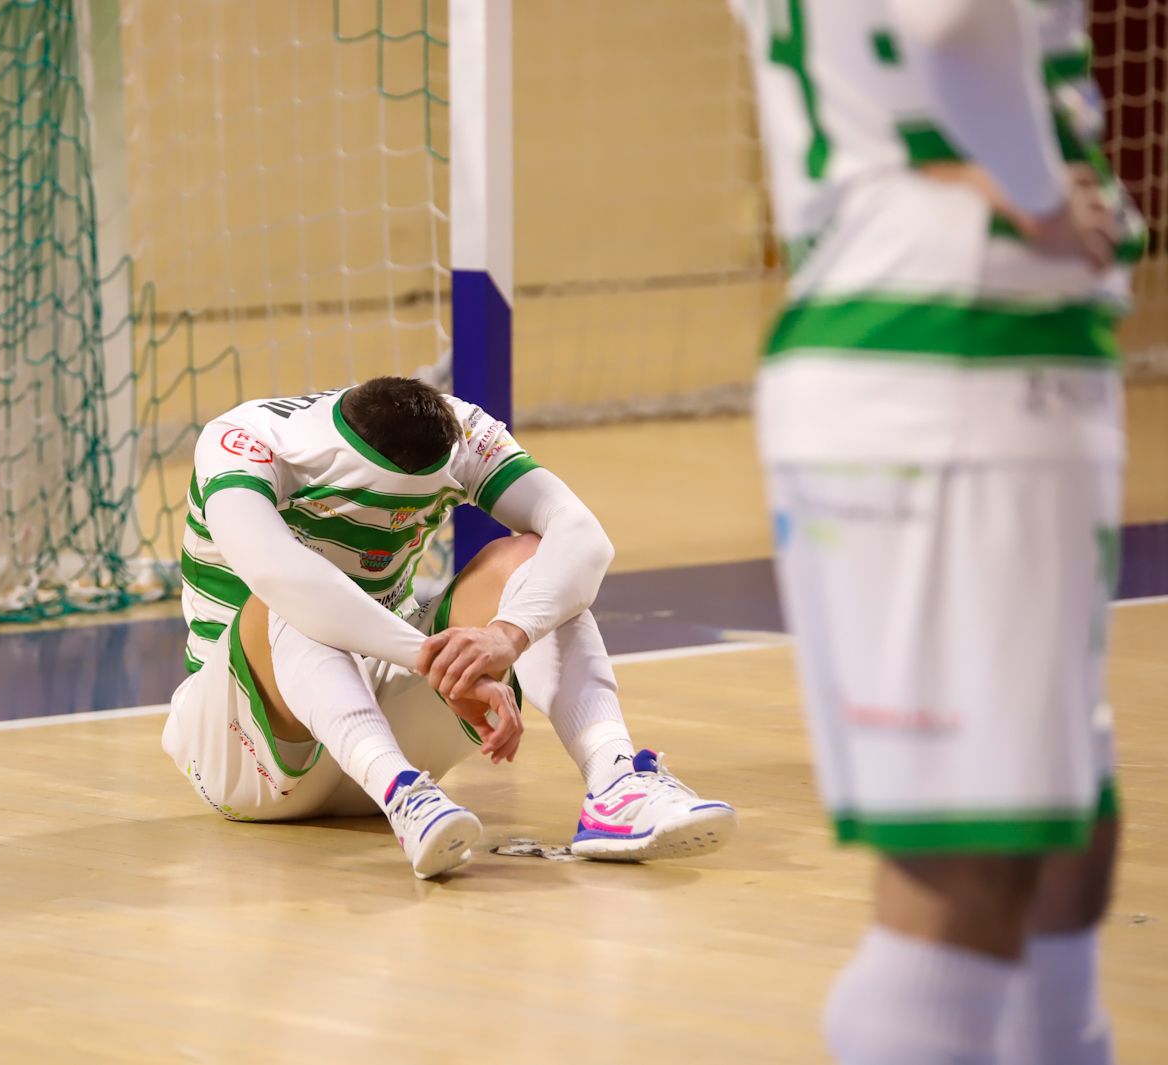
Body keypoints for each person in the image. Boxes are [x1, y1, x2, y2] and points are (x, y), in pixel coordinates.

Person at [730, 0, 1137, 1062]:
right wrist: (1043, 196)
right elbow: (951, 19)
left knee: (1058, 818)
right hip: (947, 351)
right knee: (966, 866)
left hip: (980, 360)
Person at [161, 376, 737, 878]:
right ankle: (401, 794)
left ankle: (614, 784)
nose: (402, 524)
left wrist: (507, 634)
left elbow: (583, 536)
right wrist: (433, 662)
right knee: (287, 597)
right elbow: (281, 575)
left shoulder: (462, 432)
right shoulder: (247, 442)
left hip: (381, 724)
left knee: (536, 565)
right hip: (246, 752)